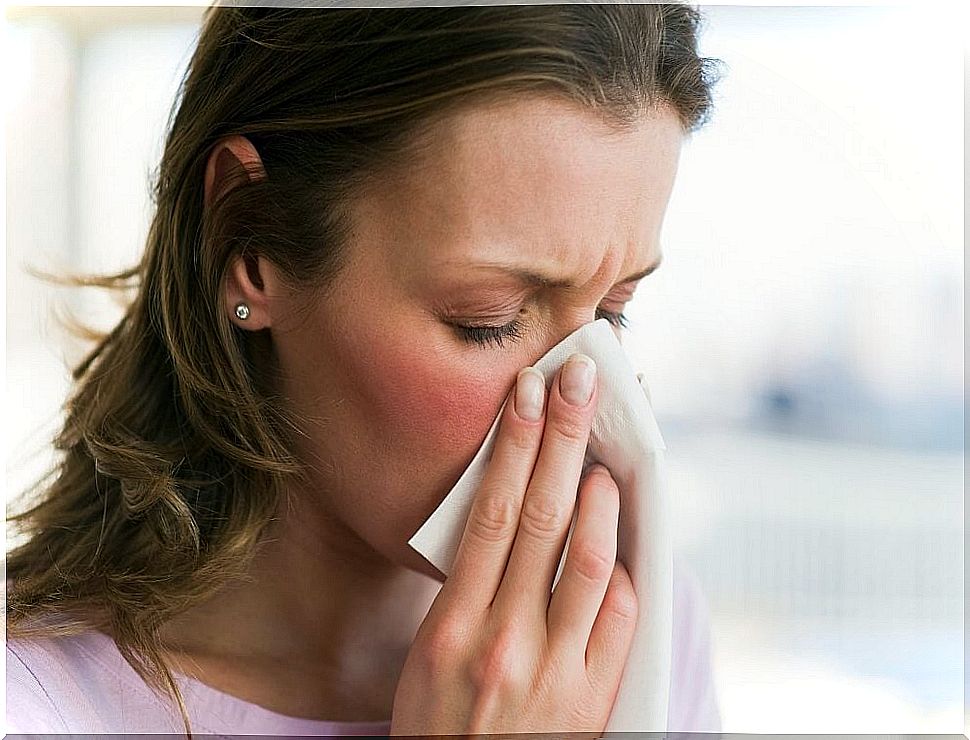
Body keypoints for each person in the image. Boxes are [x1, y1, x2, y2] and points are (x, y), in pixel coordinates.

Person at [6, 3, 722, 736]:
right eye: (489, 319)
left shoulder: (638, 634)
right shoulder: (36, 707)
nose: (587, 396)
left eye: (613, 312)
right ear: (249, 240)